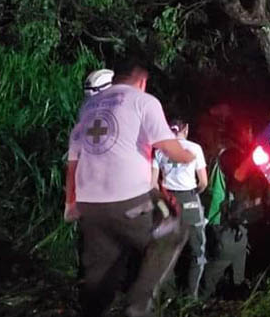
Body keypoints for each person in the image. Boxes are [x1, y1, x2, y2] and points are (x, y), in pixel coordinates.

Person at [64, 64, 196, 317]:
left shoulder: (88, 108)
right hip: (129, 200)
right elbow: (170, 148)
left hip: (89, 203)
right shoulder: (143, 101)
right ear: (141, 81)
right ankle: (138, 307)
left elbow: (73, 164)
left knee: (102, 267)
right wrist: (188, 155)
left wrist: (70, 203)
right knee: (172, 233)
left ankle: (93, 310)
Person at [200, 126, 263, 300]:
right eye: (247, 132)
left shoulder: (220, 154)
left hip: (220, 219)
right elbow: (238, 177)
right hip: (226, 222)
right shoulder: (231, 155)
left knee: (237, 259)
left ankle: (236, 293)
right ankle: (198, 300)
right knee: (221, 261)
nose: (250, 136)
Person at [152, 119, 208, 299]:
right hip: (189, 200)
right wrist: (194, 193)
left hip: (168, 201)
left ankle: (168, 296)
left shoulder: (159, 149)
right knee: (197, 251)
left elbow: (153, 184)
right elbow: (203, 182)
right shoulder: (195, 148)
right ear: (186, 129)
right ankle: (191, 297)